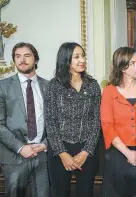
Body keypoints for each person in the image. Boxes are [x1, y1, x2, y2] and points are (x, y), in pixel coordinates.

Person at [45, 42, 101, 197]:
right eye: (76, 57)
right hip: (59, 150)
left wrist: (85, 152)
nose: (82, 60)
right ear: (66, 60)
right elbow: (50, 122)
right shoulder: (53, 86)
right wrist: (63, 154)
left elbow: (96, 121)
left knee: (86, 192)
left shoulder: (93, 86)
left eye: (83, 56)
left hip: (86, 149)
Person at [100, 47, 136, 197]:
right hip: (117, 153)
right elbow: (107, 126)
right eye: (133, 63)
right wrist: (128, 154)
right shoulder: (109, 92)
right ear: (123, 68)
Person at [0, 42, 49, 197]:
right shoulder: (3, 86)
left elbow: (56, 123)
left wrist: (45, 144)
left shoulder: (48, 87)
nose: (22, 60)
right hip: (14, 155)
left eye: (27, 55)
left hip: (43, 154)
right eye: (18, 56)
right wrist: (21, 148)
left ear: (35, 59)